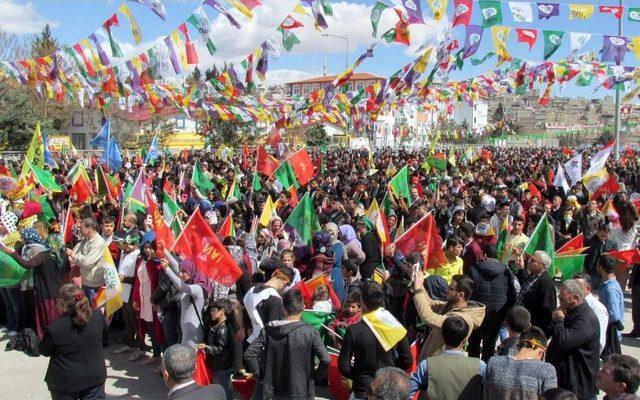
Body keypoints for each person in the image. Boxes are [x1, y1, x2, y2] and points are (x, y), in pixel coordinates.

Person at [244, 289, 330, 400]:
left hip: (274, 391)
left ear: (283, 309)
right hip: (302, 391)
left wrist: (261, 375)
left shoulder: (269, 330)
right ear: (303, 308)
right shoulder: (311, 332)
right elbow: (326, 359)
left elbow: (249, 354)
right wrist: (313, 378)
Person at [339, 281, 413, 399]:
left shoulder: (354, 330)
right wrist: (390, 374)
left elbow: (344, 367)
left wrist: (360, 377)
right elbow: (407, 360)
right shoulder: (395, 326)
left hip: (362, 390)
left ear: (362, 302)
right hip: (387, 390)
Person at [38, 284, 107, 400]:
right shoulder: (97, 316)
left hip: (66, 381)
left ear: (61, 302)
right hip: (94, 376)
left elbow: (44, 351)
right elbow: (105, 342)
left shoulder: (55, 328)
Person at [547, 279, 600, 400]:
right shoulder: (571, 312)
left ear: (575, 298)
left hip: (578, 386)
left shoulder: (585, 319)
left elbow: (564, 341)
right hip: (566, 380)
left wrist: (558, 320)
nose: (559, 298)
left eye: (562, 298)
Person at [5, 227, 62, 338]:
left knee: (48, 312)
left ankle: (49, 336)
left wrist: (13, 254)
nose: (21, 239)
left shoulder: (41, 252)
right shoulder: (55, 253)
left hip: (44, 287)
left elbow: (28, 264)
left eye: (23, 236)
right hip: (47, 286)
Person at [413, 272, 486, 359]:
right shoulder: (451, 306)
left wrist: (418, 290)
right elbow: (431, 303)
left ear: (460, 295)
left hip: (439, 365)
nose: (446, 290)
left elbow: (429, 318)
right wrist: (419, 284)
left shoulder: (461, 319)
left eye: (451, 288)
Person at [410, 315, 485, 400]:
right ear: (464, 341)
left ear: (442, 337)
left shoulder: (426, 365)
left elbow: (408, 392)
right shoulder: (480, 366)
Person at [468, 243, 516, 361]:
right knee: (489, 345)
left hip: (477, 313)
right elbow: (511, 294)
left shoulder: (473, 269)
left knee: (473, 343)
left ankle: (473, 371)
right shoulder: (506, 272)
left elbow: (469, 292)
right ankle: (486, 372)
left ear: (484, 255)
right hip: (497, 313)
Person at [483, 326, 558, 399]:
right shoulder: (547, 370)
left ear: (519, 346)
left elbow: (485, 396)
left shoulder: (493, 363)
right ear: (542, 351)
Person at [161, 256, 212, 344]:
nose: (180, 274)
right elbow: (177, 266)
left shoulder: (198, 288)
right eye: (180, 271)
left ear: (192, 270)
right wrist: (165, 250)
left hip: (193, 333)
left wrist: (167, 269)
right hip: (185, 332)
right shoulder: (190, 281)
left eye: (183, 271)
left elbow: (183, 287)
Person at [243, 265, 294, 344]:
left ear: (274, 273)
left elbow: (237, 307)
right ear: (285, 282)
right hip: (262, 346)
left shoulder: (252, 289)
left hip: (249, 340)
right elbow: (273, 331)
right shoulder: (274, 299)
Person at [199, 299, 235, 400]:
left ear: (222, 311)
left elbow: (220, 349)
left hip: (222, 366)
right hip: (219, 365)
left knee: (224, 390)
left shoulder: (223, 329)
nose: (211, 313)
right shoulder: (217, 325)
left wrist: (206, 347)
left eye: (214, 310)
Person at [112, 230, 141, 355]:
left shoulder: (137, 255)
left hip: (132, 292)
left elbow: (138, 277)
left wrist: (126, 279)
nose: (118, 247)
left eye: (119, 244)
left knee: (135, 320)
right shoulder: (123, 253)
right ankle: (128, 343)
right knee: (127, 319)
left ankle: (139, 346)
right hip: (123, 291)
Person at [516, 251, 557, 336]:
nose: (528, 261)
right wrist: (521, 270)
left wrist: (537, 333)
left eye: (533, 260)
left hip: (531, 331)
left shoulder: (546, 284)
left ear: (543, 266)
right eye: (530, 259)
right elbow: (526, 289)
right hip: (521, 325)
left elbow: (547, 313)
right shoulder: (533, 276)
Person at [67, 218, 107, 305]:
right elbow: (76, 251)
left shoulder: (98, 243)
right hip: (85, 282)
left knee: (93, 310)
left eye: (81, 228)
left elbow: (87, 262)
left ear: (89, 228)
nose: (79, 230)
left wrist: (73, 255)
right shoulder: (86, 240)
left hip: (93, 284)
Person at [598, 255, 625, 359]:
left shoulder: (610, 289)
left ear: (600, 267)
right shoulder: (610, 285)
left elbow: (613, 315)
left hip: (611, 335)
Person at [574, 274, 609, 354]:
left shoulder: (597, 308)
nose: (573, 290)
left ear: (588, 289)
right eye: (571, 287)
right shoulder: (572, 304)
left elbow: (599, 340)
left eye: (577, 287)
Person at [584, 224, 617, 290]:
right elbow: (584, 255)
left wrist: (608, 256)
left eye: (606, 236)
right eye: (602, 235)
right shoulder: (589, 241)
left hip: (604, 274)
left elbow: (614, 258)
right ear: (598, 232)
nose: (604, 238)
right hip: (591, 272)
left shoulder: (612, 243)